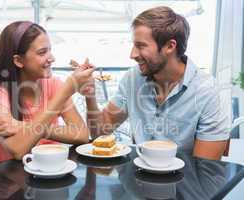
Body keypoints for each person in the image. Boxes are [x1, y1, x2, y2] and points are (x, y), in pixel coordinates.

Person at [80, 6, 229, 160]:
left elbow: (204, 169)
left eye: (141, 46)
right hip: (136, 178)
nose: (132, 54)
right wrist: (90, 94)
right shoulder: (133, 79)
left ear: (170, 46)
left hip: (182, 182)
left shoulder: (209, 93)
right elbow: (99, 132)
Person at [0, 21, 94, 166]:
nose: (52, 58)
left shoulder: (53, 85)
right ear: (19, 61)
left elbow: (82, 135)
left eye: (50, 50)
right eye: (42, 52)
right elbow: (17, 150)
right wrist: (65, 91)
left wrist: (21, 126)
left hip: (48, 172)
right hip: (5, 180)